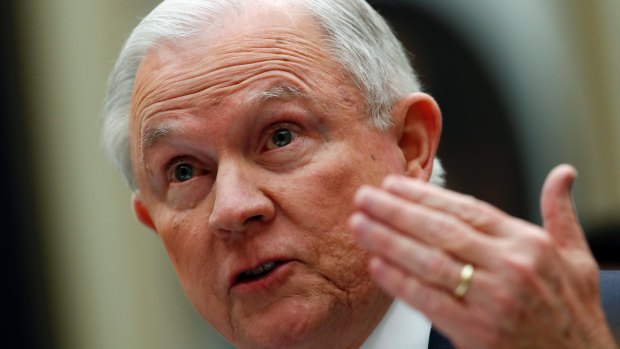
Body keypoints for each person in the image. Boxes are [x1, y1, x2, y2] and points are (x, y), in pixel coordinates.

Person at [102, 0, 618, 348]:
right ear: (154, 223)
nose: (233, 208)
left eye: (281, 137)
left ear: (409, 146)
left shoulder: (591, 328)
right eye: (185, 170)